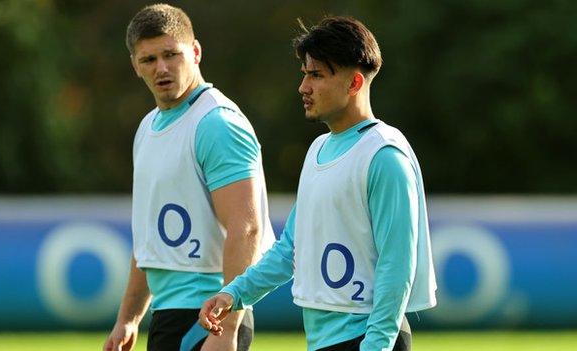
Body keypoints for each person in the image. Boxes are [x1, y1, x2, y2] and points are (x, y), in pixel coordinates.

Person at [199, 16, 437, 351]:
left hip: (369, 339)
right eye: (304, 75)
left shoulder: (384, 155)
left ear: (354, 83)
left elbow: (397, 264)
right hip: (326, 340)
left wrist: (377, 345)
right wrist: (233, 293)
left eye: (316, 75)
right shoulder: (318, 150)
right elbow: (290, 251)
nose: (303, 87)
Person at [103, 4, 275, 351]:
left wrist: (226, 329)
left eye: (171, 54)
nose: (161, 68)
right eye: (148, 59)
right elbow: (149, 240)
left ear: (195, 52)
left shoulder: (217, 122)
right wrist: (129, 318)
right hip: (169, 313)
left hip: (208, 316)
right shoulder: (148, 128)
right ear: (135, 65)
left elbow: (247, 227)